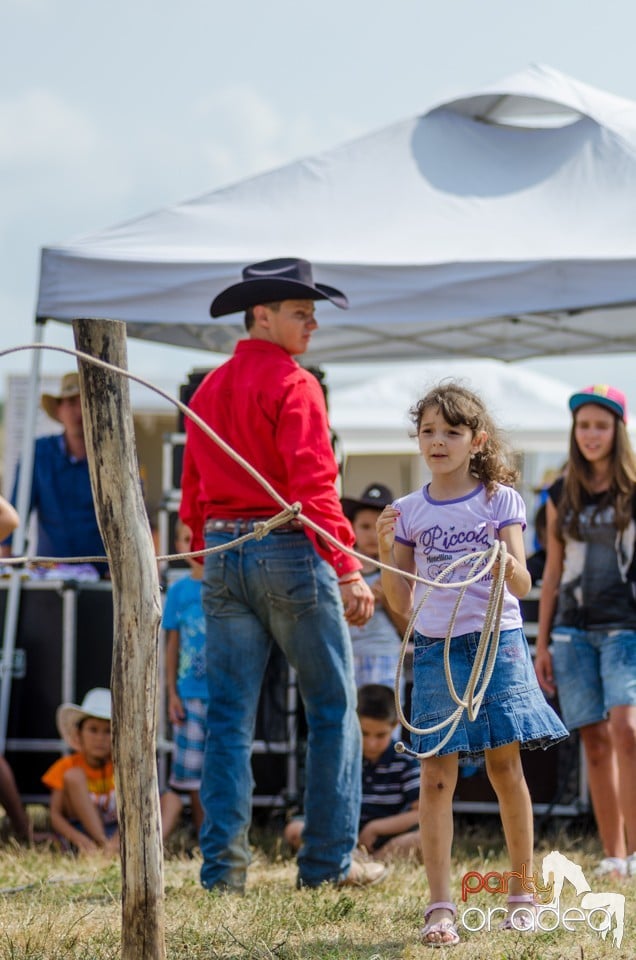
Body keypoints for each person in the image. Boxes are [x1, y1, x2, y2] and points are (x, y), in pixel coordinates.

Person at [179, 257, 380, 892]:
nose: (313, 322)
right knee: (332, 709)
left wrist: (200, 545)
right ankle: (325, 866)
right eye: (301, 311)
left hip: (222, 553)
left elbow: (192, 494)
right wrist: (347, 569)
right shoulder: (296, 385)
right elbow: (315, 485)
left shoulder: (208, 389)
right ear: (261, 314)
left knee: (229, 718)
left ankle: (223, 874)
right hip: (288, 547)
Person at [376, 381, 567, 947]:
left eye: (451, 432)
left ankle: (521, 894)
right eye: (428, 431)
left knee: (507, 768)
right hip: (435, 648)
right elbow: (400, 602)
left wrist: (502, 563)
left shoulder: (500, 499)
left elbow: (524, 581)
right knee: (437, 776)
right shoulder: (405, 512)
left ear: (475, 440)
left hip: (496, 642)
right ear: (418, 438)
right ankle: (440, 905)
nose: (438, 441)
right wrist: (388, 552)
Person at [534, 384, 636, 879]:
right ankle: (614, 856)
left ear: (618, 430)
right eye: (583, 425)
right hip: (572, 633)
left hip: (626, 628)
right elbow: (551, 571)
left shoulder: (634, 489)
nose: (591, 434)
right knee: (594, 740)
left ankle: (635, 852)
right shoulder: (559, 492)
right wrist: (542, 642)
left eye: (600, 424)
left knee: (628, 732)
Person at [285, 683, 420, 863]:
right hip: (341, 833)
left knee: (423, 839)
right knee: (295, 830)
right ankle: (354, 858)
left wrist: (375, 828)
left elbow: (420, 812)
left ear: (395, 725)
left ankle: (365, 862)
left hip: (387, 836)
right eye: (364, 733)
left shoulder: (406, 760)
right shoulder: (342, 756)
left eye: (380, 735)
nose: (371, 743)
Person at [1, 372, 107, 576]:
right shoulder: (38, 453)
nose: (78, 411)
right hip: (49, 579)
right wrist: (8, 575)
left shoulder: (114, 461)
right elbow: (16, 515)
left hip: (104, 578)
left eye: (83, 402)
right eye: (70, 402)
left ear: (97, 409)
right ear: (59, 409)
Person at [160, 520, 207, 839]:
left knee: (219, 769)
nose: (193, 545)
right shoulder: (178, 590)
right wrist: (172, 693)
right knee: (191, 772)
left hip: (225, 694)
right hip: (189, 693)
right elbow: (172, 645)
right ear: (177, 545)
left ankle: (217, 837)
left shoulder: (228, 585)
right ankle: (204, 836)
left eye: (199, 538)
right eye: (186, 539)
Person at [341, 484, 409, 688]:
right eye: (365, 526)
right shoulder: (338, 569)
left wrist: (388, 599)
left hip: (384, 656)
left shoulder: (400, 569)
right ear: (352, 527)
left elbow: (410, 630)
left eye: (380, 527)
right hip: (344, 656)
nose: (372, 535)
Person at [41, 687, 118, 854]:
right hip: (82, 832)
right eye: (93, 730)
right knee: (74, 776)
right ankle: (102, 843)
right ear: (79, 734)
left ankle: (113, 848)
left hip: (117, 832)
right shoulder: (66, 766)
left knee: (171, 799)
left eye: (107, 731)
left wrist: (118, 839)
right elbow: (55, 815)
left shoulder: (121, 768)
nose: (100, 738)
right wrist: (81, 841)